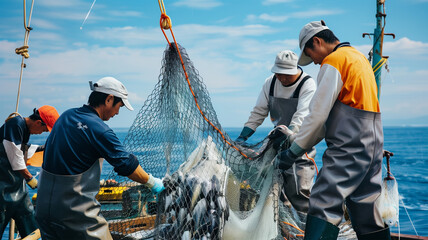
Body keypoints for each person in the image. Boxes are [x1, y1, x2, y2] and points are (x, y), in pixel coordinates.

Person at [276, 21, 390, 239]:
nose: (316, 63)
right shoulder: (358, 58)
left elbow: (317, 116)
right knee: (365, 206)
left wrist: (293, 152)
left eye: (312, 56)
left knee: (323, 201)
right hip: (373, 143)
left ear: (317, 42)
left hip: (350, 144)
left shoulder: (334, 61)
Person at [35, 77, 165, 240]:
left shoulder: (65, 117)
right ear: (109, 99)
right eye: (120, 106)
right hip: (74, 214)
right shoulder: (99, 129)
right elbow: (126, 165)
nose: (117, 112)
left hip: (43, 211)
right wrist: (153, 183)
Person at [236, 50, 317, 213]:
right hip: (276, 141)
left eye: (287, 74)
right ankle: (286, 229)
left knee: (300, 190)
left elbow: (301, 116)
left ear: (295, 70)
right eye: (279, 74)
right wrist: (242, 136)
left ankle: (307, 229)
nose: (282, 78)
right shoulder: (270, 83)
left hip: (300, 142)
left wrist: (289, 135)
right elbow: (259, 112)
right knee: (275, 192)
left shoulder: (307, 84)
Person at [0, 106, 59, 238]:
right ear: (39, 122)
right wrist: (29, 178)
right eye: (44, 129)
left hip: (18, 191)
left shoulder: (23, 129)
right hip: (2, 190)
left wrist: (48, 148)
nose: (42, 132)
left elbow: (24, 150)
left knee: (31, 224)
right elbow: (15, 154)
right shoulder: (15, 124)